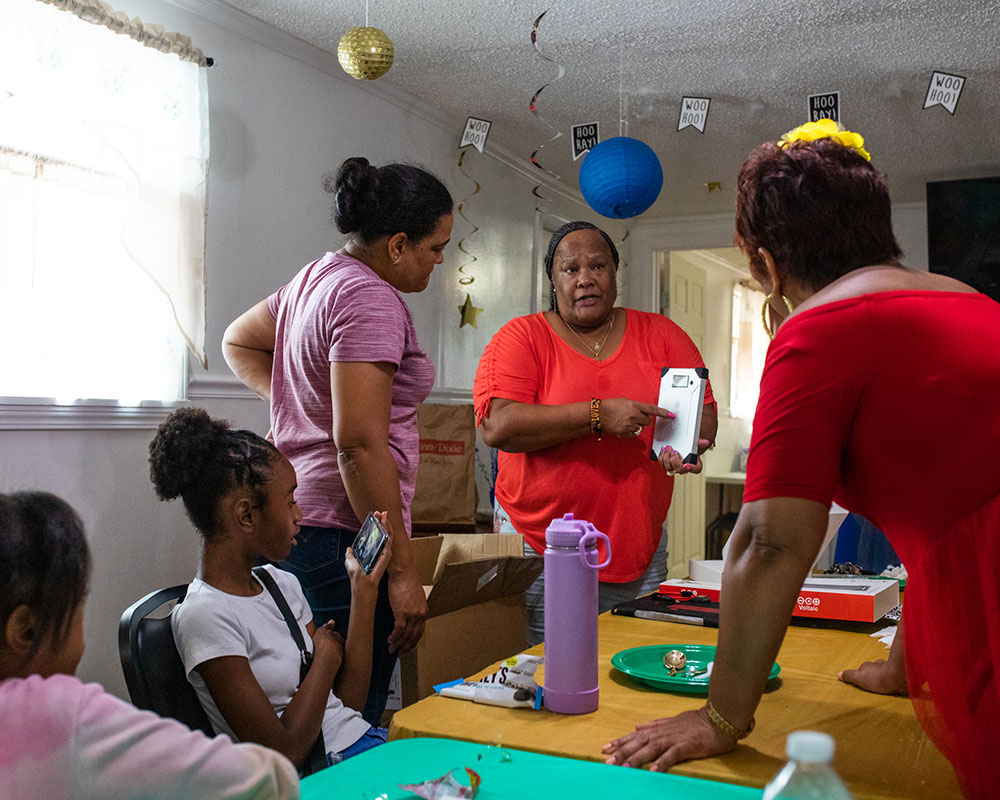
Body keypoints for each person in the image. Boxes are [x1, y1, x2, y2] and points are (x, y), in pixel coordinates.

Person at [602, 119, 1000, 800]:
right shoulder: (973, 301)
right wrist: (905, 669)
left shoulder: (822, 327)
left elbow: (770, 542)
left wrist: (721, 717)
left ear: (765, 265)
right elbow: (947, 516)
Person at [222, 157, 453, 724]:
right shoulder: (370, 299)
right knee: (347, 722)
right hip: (345, 537)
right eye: (435, 247)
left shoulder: (314, 279)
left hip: (303, 521)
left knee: (310, 713)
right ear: (397, 245)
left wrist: (298, 407)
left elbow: (238, 341)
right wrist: (401, 572)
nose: (440, 260)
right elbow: (358, 446)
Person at [474, 221, 718, 644]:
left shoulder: (662, 335)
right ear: (553, 280)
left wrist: (689, 445)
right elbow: (498, 426)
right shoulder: (521, 338)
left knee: (631, 665)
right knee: (551, 667)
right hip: (542, 548)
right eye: (571, 269)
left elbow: (705, 415)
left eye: (598, 266)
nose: (585, 278)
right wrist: (597, 415)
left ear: (614, 273)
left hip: (637, 548)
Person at [0, 490, 299, 799]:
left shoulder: (280, 584)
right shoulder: (56, 714)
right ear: (26, 631)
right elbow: (261, 779)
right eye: (78, 607)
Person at [149, 408, 391, 772]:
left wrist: (364, 591)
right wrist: (325, 658)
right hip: (320, 773)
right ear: (246, 515)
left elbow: (346, 708)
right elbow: (284, 752)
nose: (299, 515)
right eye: (290, 501)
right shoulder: (205, 615)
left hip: (360, 745)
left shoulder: (282, 583)